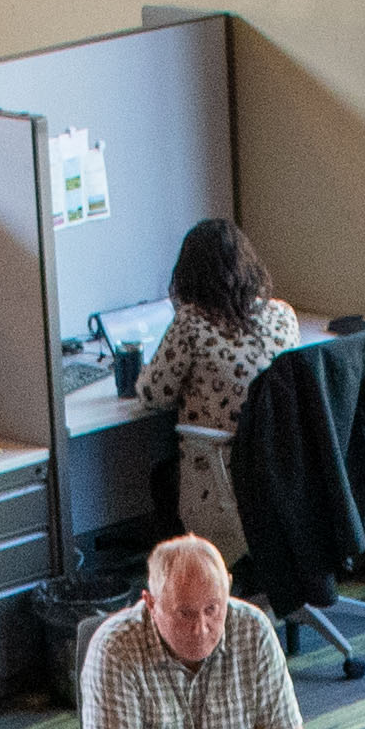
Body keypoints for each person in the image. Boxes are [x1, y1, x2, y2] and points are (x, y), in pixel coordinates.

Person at [74, 537, 308, 729]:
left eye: (212, 609)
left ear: (228, 588)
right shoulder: (115, 648)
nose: (201, 629)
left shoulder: (252, 628)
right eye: (185, 613)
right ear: (150, 603)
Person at [140, 217, 304, 556]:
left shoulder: (192, 321)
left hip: (223, 483)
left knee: (162, 478)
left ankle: (189, 588)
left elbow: (153, 395)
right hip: (282, 473)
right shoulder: (283, 315)